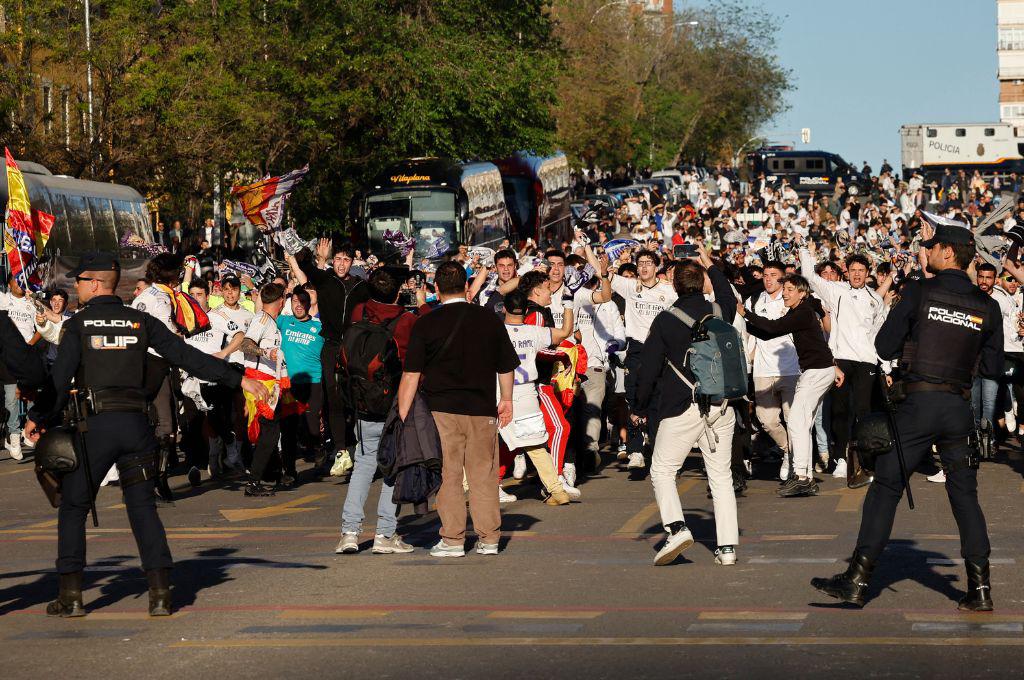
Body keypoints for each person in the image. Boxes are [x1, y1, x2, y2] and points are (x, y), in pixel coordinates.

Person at [25, 252, 268, 617]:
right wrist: (240, 380)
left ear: (94, 282)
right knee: (142, 509)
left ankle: (71, 596)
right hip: (138, 426)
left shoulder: (79, 325)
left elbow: (59, 382)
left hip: (95, 427)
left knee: (74, 506)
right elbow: (187, 357)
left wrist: (38, 416)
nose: (74, 287)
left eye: (78, 281)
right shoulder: (141, 322)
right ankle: (159, 594)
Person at [811, 223, 1003, 610]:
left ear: (948, 252)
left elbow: (883, 344)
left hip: (918, 402)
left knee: (885, 489)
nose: (926, 250)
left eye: (932, 246)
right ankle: (980, 589)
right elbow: (994, 367)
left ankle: (858, 578)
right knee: (965, 496)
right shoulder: (988, 305)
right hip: (957, 406)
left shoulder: (921, 291)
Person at [397, 261, 519, 557]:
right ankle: (489, 538)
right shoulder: (489, 319)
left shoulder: (426, 323)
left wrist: (403, 416)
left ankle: (453, 539)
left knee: (448, 475)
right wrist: (507, 399)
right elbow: (506, 365)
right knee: (484, 475)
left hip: (441, 410)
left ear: (435, 289)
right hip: (481, 407)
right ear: (467, 287)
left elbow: (411, 374)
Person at [634, 253, 740, 567]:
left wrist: (638, 406)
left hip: (682, 405)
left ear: (676, 286)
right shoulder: (721, 310)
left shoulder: (666, 319)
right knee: (720, 476)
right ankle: (728, 549)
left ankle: (677, 528)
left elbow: (649, 368)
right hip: (722, 405)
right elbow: (724, 290)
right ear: (702, 282)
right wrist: (709, 265)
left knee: (662, 471)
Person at [335, 269, 426, 555]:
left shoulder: (360, 312)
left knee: (363, 462)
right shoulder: (407, 319)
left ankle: (349, 532)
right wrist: (421, 303)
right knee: (392, 467)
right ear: (399, 292)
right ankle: (385, 534)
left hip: (361, 400)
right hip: (394, 404)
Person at [738, 274, 843, 497]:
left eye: (789, 289)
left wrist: (746, 313)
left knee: (796, 422)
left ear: (802, 294)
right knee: (801, 423)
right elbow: (767, 334)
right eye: (783, 289)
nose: (784, 292)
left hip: (816, 373)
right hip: (818, 371)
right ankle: (802, 475)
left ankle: (802, 477)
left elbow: (773, 327)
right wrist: (746, 322)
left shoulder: (803, 312)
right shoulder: (802, 310)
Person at [288, 241, 370, 472]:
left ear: (352, 262)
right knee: (332, 398)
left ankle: (359, 445)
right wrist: (319, 258)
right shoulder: (326, 281)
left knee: (355, 398)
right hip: (331, 347)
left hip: (354, 348)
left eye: (346, 260)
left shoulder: (360, 286)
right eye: (338, 259)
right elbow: (307, 270)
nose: (342, 264)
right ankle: (341, 451)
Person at [746, 261, 800, 479]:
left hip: (791, 368)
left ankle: (797, 462)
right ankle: (789, 451)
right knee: (766, 419)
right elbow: (749, 335)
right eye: (765, 275)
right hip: (762, 370)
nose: (768, 279)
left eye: (773, 275)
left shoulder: (791, 300)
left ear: (783, 277)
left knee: (793, 419)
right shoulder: (755, 300)